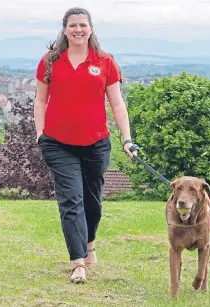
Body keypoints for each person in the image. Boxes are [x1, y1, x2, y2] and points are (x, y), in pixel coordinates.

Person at [34, 7, 135, 283]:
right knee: (71, 200)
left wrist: (127, 139)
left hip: (96, 144)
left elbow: (117, 103)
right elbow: (41, 100)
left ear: (91, 29)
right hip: (57, 143)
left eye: (83, 25)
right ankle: (78, 261)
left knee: (92, 202)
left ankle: (90, 244)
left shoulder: (104, 62)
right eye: (73, 25)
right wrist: (40, 134)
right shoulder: (50, 62)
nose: (78, 29)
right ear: (64, 29)